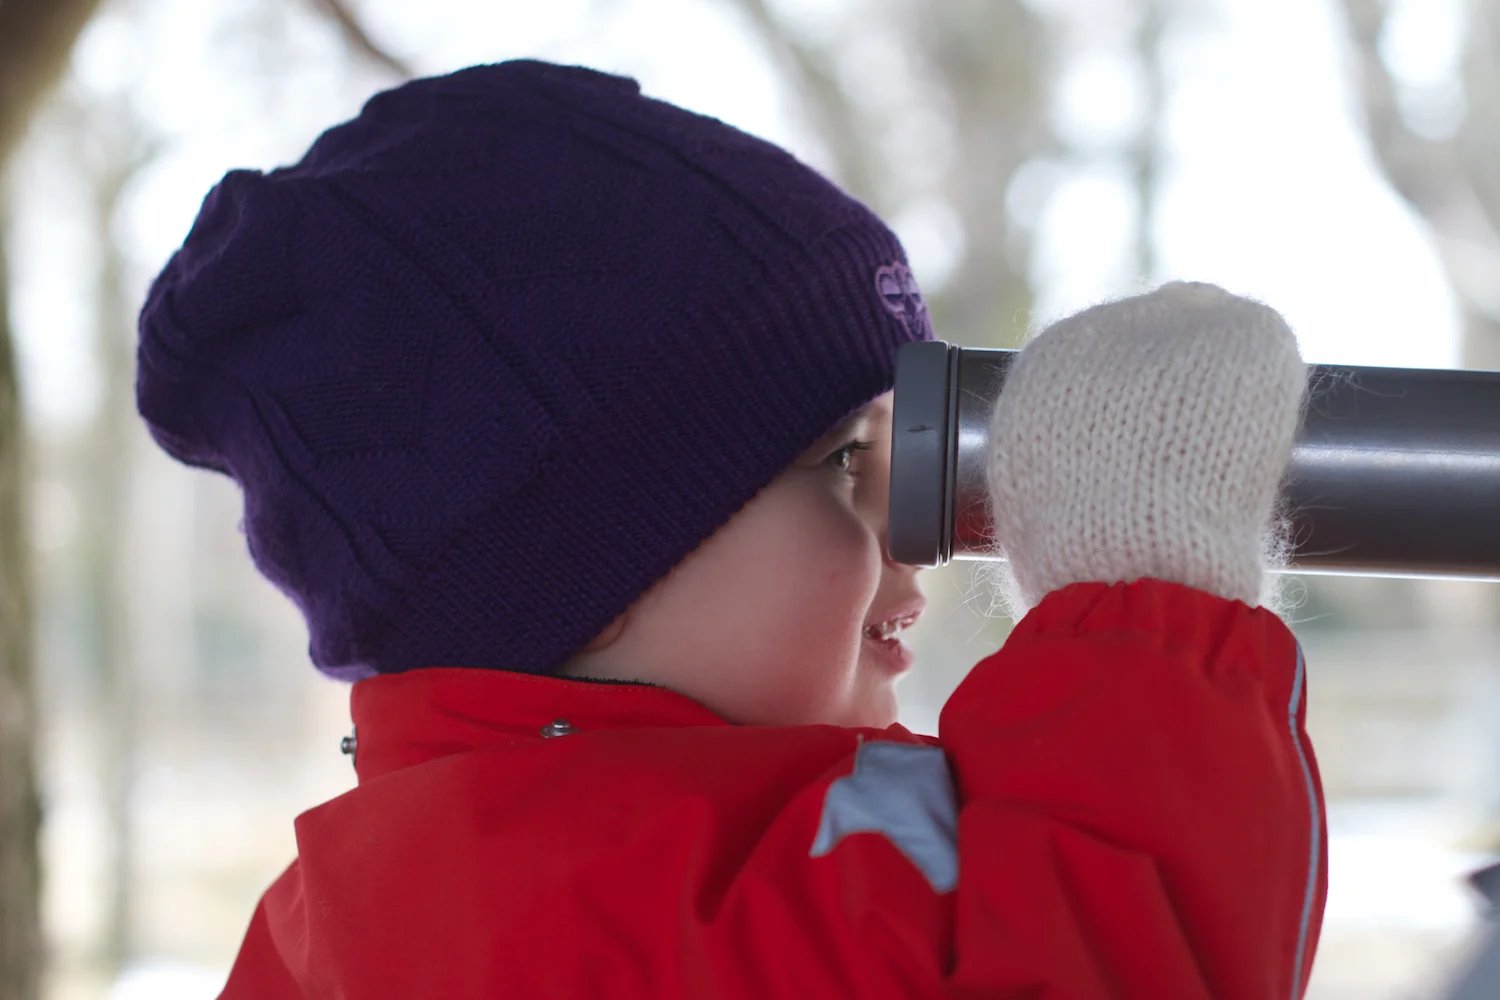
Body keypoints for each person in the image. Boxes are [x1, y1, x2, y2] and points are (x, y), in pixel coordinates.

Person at [135, 59, 1327, 999]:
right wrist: (1146, 596)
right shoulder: (536, 910)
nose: (908, 545)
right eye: (842, 463)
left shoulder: (666, 862)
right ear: (591, 572)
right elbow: (1095, 962)